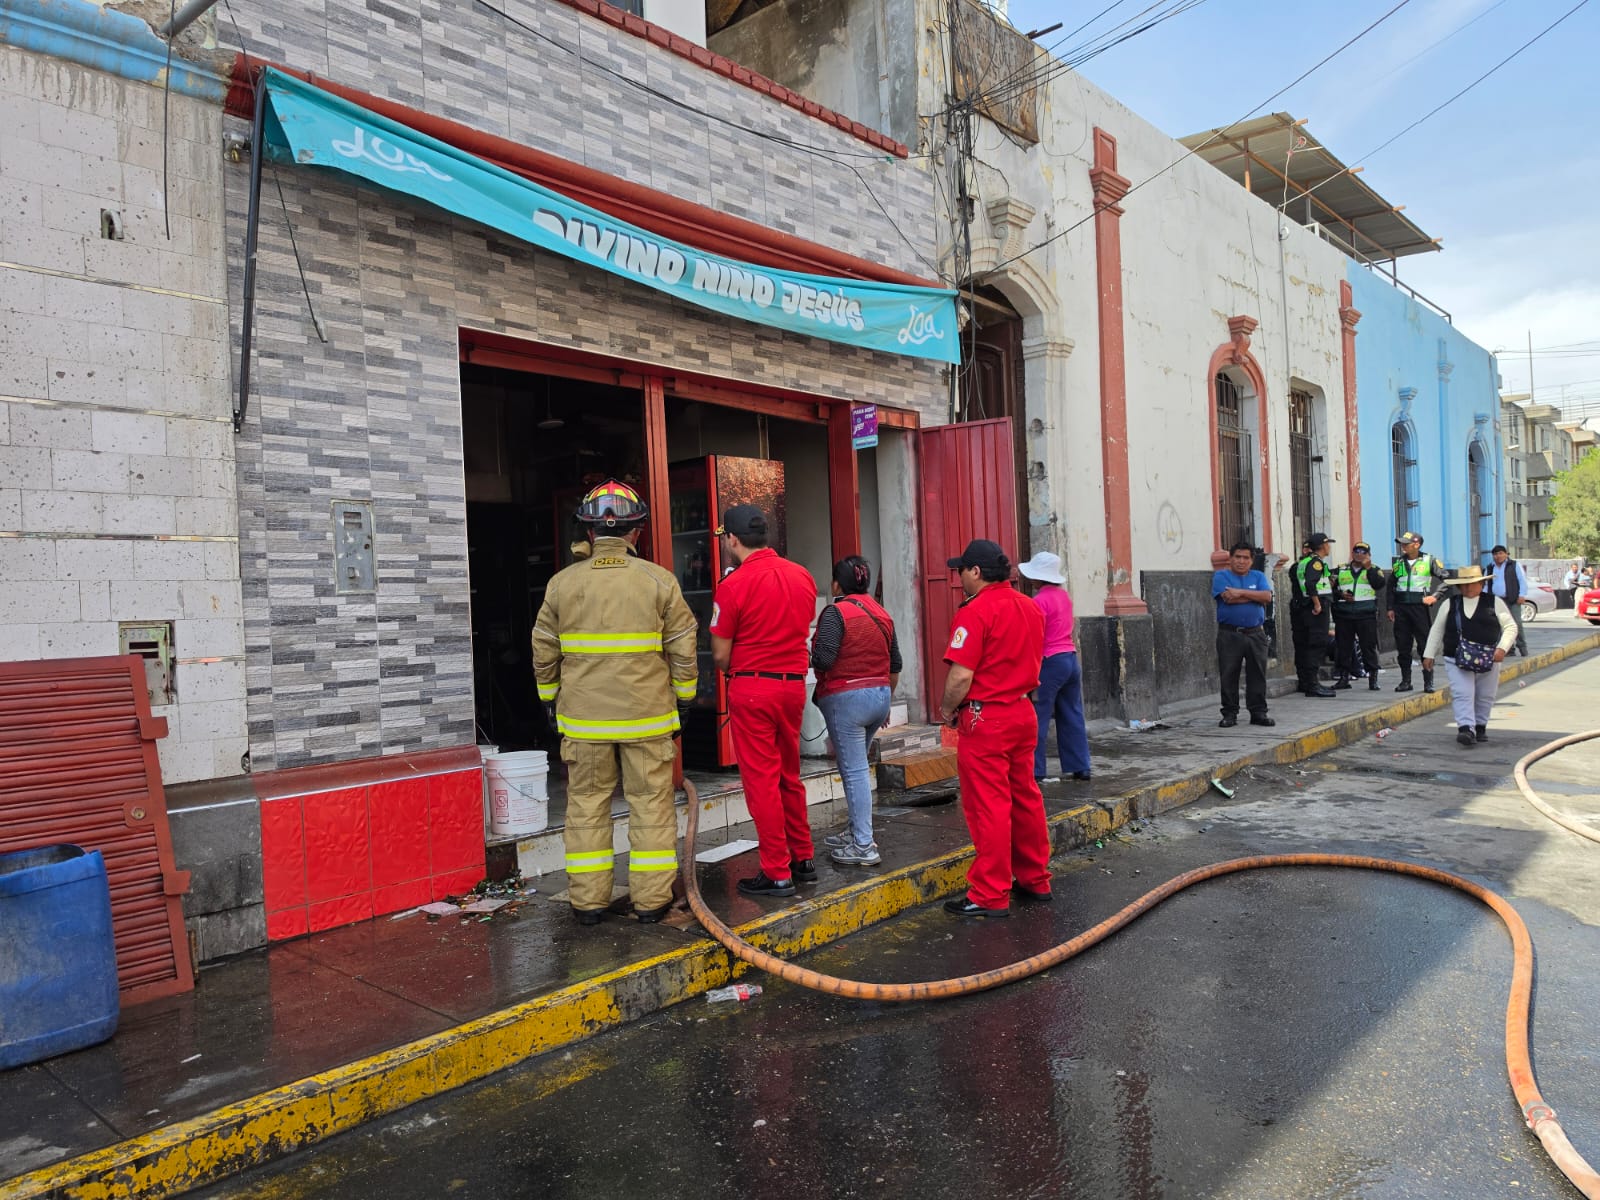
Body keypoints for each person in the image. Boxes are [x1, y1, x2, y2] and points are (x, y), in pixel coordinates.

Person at [532, 480, 698, 926]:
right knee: (651, 806)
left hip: (584, 723)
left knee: (586, 805)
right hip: (647, 720)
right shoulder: (659, 581)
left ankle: (588, 904)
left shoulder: (561, 585)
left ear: (589, 532)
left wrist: (549, 701)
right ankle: (651, 903)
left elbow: (544, 652)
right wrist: (684, 701)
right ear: (636, 531)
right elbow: (684, 649)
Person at [709, 504, 819, 898]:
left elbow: (720, 655)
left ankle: (776, 871)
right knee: (789, 774)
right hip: (793, 686)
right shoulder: (802, 575)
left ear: (732, 539)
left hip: (753, 687)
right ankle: (803, 858)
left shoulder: (732, 585)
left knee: (762, 782)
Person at [939, 539, 1051, 918]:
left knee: (989, 806)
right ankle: (1035, 878)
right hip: (1022, 711)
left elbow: (961, 676)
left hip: (986, 717)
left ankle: (990, 892)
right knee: (1025, 797)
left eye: (962, 570)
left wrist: (946, 709)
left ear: (976, 571)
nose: (960, 578)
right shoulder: (1030, 607)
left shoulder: (975, 611)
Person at [811, 556, 901, 867]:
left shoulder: (835, 613)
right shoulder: (882, 613)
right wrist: (885, 701)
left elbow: (824, 659)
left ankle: (863, 844)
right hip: (879, 696)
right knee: (855, 768)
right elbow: (895, 664)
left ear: (837, 585)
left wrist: (808, 652)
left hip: (847, 699)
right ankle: (854, 832)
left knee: (855, 771)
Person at [1016, 551, 1091, 783]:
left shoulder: (1038, 601)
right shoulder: (1064, 597)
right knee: (1072, 713)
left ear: (1039, 577)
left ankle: (1036, 770)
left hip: (1050, 662)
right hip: (1070, 659)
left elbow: (1033, 636)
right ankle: (1081, 767)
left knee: (1038, 716)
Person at [1422, 564, 1517, 747]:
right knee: (1462, 693)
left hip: (1488, 658)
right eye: (1463, 584)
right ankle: (1466, 728)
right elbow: (1437, 630)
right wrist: (1429, 654)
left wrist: (1502, 648)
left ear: (1481, 584)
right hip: (1456, 658)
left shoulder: (1494, 602)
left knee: (1485, 694)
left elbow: (1510, 627)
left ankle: (1480, 726)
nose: (1468, 588)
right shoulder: (1450, 604)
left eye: (1472, 583)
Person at [1213, 542, 1275, 728]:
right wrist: (1255, 596)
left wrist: (1239, 592)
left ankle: (1258, 713)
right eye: (1237, 557)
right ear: (1230, 559)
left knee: (1258, 674)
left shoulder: (1258, 576)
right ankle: (1230, 713)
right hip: (1230, 634)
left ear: (1251, 560)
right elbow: (1227, 599)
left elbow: (1267, 597)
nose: (1241, 561)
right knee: (1229, 674)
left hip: (1256, 633)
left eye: (1245, 558)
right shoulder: (1221, 576)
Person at [1388, 531, 1443, 693]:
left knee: (1425, 645)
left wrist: (1435, 596)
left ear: (1417, 545)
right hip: (1401, 608)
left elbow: (1446, 579)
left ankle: (1428, 681)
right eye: (1402, 544)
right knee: (1403, 645)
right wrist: (1390, 607)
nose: (1403, 547)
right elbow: (1391, 586)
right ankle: (1406, 681)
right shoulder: (1399, 562)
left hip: (1420, 607)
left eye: (1406, 544)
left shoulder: (1429, 560)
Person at [1332, 542, 1385, 691]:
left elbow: (1379, 584)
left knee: (1368, 647)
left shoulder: (1375, 569)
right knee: (1343, 647)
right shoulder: (1340, 569)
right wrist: (1341, 595)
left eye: (1363, 552)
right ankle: (1344, 677)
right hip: (1344, 613)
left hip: (1366, 614)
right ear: (1352, 553)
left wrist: (1369, 569)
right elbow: (1329, 588)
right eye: (1356, 551)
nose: (1359, 554)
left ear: (1368, 555)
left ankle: (1373, 678)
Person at [1289, 533, 1336, 697]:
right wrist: (1317, 604)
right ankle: (1313, 685)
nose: (1329, 547)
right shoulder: (1316, 563)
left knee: (1303, 645)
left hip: (1301, 607)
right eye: (1328, 544)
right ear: (1322, 546)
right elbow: (1310, 583)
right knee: (1316, 645)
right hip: (1314, 609)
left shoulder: (1302, 563)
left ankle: (1305, 682)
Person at [1488, 545, 1529, 657]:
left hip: (1513, 599)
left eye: (1501, 553)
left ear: (1506, 554)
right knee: (1500, 625)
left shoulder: (1514, 565)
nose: (1498, 556)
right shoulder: (1490, 567)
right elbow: (1486, 584)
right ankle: (1508, 649)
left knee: (1516, 623)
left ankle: (1522, 647)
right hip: (1497, 600)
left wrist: (1522, 595)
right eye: (1495, 554)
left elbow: (1522, 580)